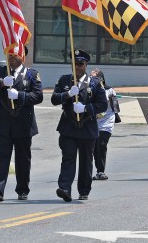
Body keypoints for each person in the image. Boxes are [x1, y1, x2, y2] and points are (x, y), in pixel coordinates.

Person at [0, 47, 43, 202]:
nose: (11, 58)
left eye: (15, 55)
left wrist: (20, 95)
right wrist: (0, 84)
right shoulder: (1, 71)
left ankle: (22, 189)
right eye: (9, 55)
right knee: (2, 155)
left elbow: (38, 96)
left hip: (23, 122)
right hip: (3, 120)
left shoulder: (31, 74)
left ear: (23, 56)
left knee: (22, 158)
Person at [51, 49, 108, 202]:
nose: (76, 67)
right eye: (74, 64)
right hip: (68, 126)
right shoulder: (64, 80)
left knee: (85, 161)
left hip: (87, 127)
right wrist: (67, 94)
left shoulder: (95, 83)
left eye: (80, 64)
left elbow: (102, 105)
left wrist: (86, 109)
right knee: (68, 158)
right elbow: (54, 99)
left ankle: (84, 190)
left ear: (86, 65)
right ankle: (64, 188)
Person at [89, 69, 117, 181]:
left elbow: (115, 108)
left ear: (101, 79)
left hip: (107, 122)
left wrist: (105, 112)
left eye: (95, 77)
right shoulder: (88, 90)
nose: (93, 80)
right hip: (92, 122)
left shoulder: (110, 90)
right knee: (94, 148)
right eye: (91, 77)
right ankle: (96, 171)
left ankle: (101, 171)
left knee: (101, 144)